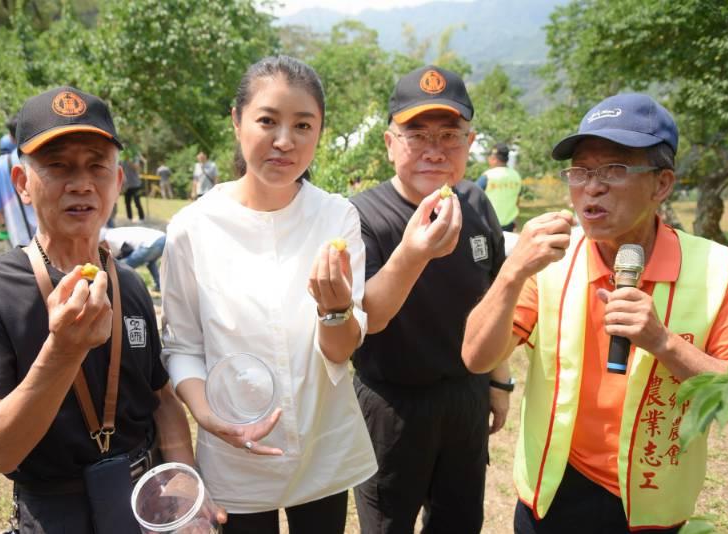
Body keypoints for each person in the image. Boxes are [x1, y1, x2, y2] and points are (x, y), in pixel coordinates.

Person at [461, 93, 728, 533]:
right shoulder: (548, 262)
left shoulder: (720, 270)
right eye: (581, 171)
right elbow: (476, 357)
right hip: (550, 497)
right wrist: (511, 271)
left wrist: (663, 343)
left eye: (614, 170)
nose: (591, 187)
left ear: (662, 185)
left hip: (650, 507)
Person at [0, 86, 203, 533]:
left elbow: (161, 400)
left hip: (145, 504)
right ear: (22, 184)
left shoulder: (131, 285)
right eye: (57, 166)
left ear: (117, 183)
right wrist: (62, 350)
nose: (80, 182)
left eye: (97, 166)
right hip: (55, 513)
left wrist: (187, 489)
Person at [161, 56, 376, 534]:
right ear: (237, 121)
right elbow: (183, 347)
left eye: (303, 125)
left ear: (320, 131)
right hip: (235, 453)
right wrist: (209, 417)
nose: (285, 141)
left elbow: (342, 350)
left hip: (322, 445)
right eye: (267, 121)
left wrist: (336, 309)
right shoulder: (191, 229)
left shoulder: (336, 218)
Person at [350, 64, 512, 534]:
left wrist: (498, 382)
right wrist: (413, 253)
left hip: (465, 395)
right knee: (387, 525)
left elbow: (494, 297)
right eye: (416, 135)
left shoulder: (477, 204)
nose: (434, 150)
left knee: (460, 521)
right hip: (392, 405)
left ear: (470, 141)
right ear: (389, 144)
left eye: (449, 135)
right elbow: (369, 319)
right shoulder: (364, 218)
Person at [0, 115, 37, 247]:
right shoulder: (50, 159)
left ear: (11, 138)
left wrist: (4, 226)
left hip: (20, 245)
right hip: (58, 243)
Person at [101, 225, 166, 291]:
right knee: (150, 263)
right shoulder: (113, 233)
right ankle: (159, 286)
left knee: (122, 267)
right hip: (161, 239)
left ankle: (120, 290)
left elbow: (128, 250)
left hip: (153, 242)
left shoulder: (110, 237)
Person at [477, 142, 522, 231]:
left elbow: (473, 197)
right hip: (509, 225)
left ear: (494, 158)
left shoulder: (487, 176)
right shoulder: (516, 175)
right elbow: (517, 201)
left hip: (489, 226)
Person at [122, 154, 145, 222]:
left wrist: (129, 160)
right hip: (127, 185)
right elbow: (122, 171)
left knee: (137, 202)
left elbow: (137, 168)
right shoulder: (122, 159)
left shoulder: (135, 157)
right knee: (127, 203)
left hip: (136, 185)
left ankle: (141, 218)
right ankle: (129, 218)